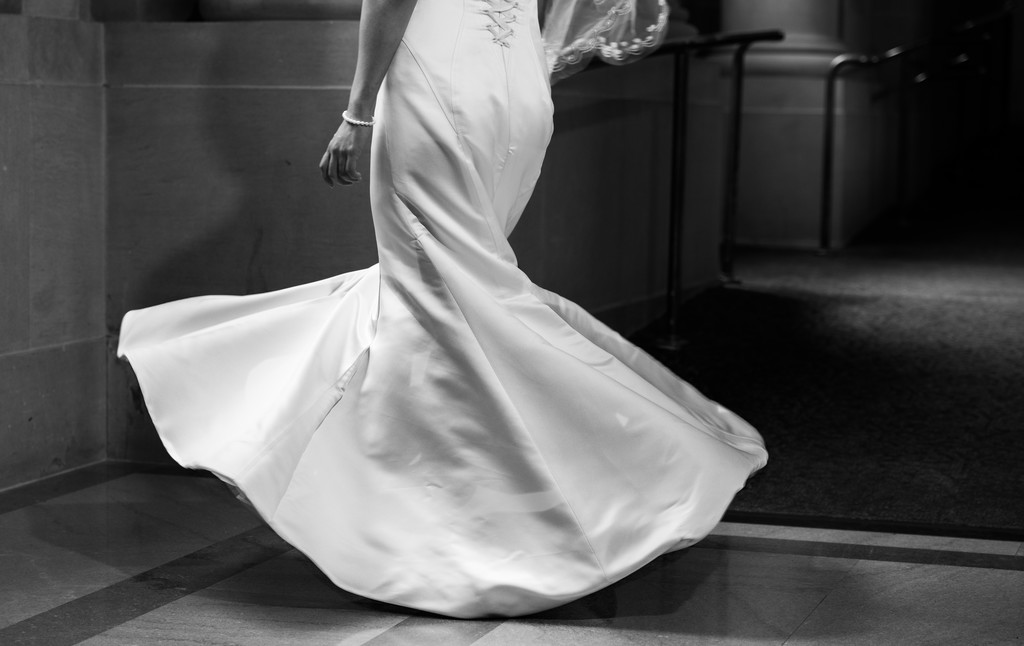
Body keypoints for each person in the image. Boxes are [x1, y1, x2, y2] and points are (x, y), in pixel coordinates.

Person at [118, 0, 767, 618]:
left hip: (439, 84)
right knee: (455, 300)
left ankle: (564, 494)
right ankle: (466, 506)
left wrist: (357, 111)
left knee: (437, 300)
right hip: (512, 91)